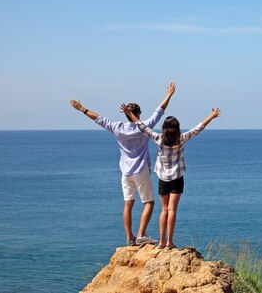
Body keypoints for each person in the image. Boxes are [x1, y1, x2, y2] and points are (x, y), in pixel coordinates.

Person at [69, 82, 176, 246]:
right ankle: (141, 235)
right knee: (149, 203)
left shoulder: (117, 127)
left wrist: (82, 108)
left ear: (126, 115)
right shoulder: (144, 127)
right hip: (140, 170)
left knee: (128, 203)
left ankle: (129, 238)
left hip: (125, 172)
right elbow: (160, 110)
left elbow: (98, 118)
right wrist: (169, 94)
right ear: (138, 114)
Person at [121, 103, 221, 249]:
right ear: (177, 128)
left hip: (163, 178)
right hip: (177, 177)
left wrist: (130, 114)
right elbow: (198, 128)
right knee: (172, 209)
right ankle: (169, 242)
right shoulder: (181, 138)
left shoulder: (158, 138)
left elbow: (141, 126)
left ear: (164, 129)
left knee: (164, 209)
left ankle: (161, 241)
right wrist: (211, 117)